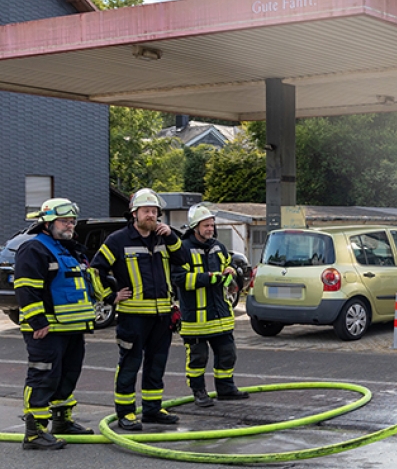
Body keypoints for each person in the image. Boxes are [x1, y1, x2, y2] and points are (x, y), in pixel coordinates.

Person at [91, 188, 185, 431]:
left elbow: (184, 259)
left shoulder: (165, 237)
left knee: (157, 364)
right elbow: (94, 270)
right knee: (130, 364)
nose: (151, 216)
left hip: (162, 316)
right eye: (146, 211)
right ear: (134, 214)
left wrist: (173, 238)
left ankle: (153, 410)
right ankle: (125, 413)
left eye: (154, 212)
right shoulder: (118, 240)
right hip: (133, 317)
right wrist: (110, 297)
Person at [12, 199, 100, 449]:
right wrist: (37, 320)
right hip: (46, 329)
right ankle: (34, 431)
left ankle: (62, 420)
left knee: (67, 375)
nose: (70, 225)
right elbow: (26, 288)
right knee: (43, 377)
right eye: (65, 221)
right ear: (47, 223)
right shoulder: (34, 248)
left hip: (71, 327)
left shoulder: (70, 250)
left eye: (72, 221)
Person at [172, 204, 249, 407]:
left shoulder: (218, 246)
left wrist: (231, 271)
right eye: (206, 225)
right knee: (198, 359)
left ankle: (226, 388)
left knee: (227, 354)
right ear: (195, 227)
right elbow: (179, 279)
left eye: (212, 225)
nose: (210, 229)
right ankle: (199, 392)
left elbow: (226, 264)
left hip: (220, 316)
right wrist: (209, 278)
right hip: (195, 318)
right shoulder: (183, 249)